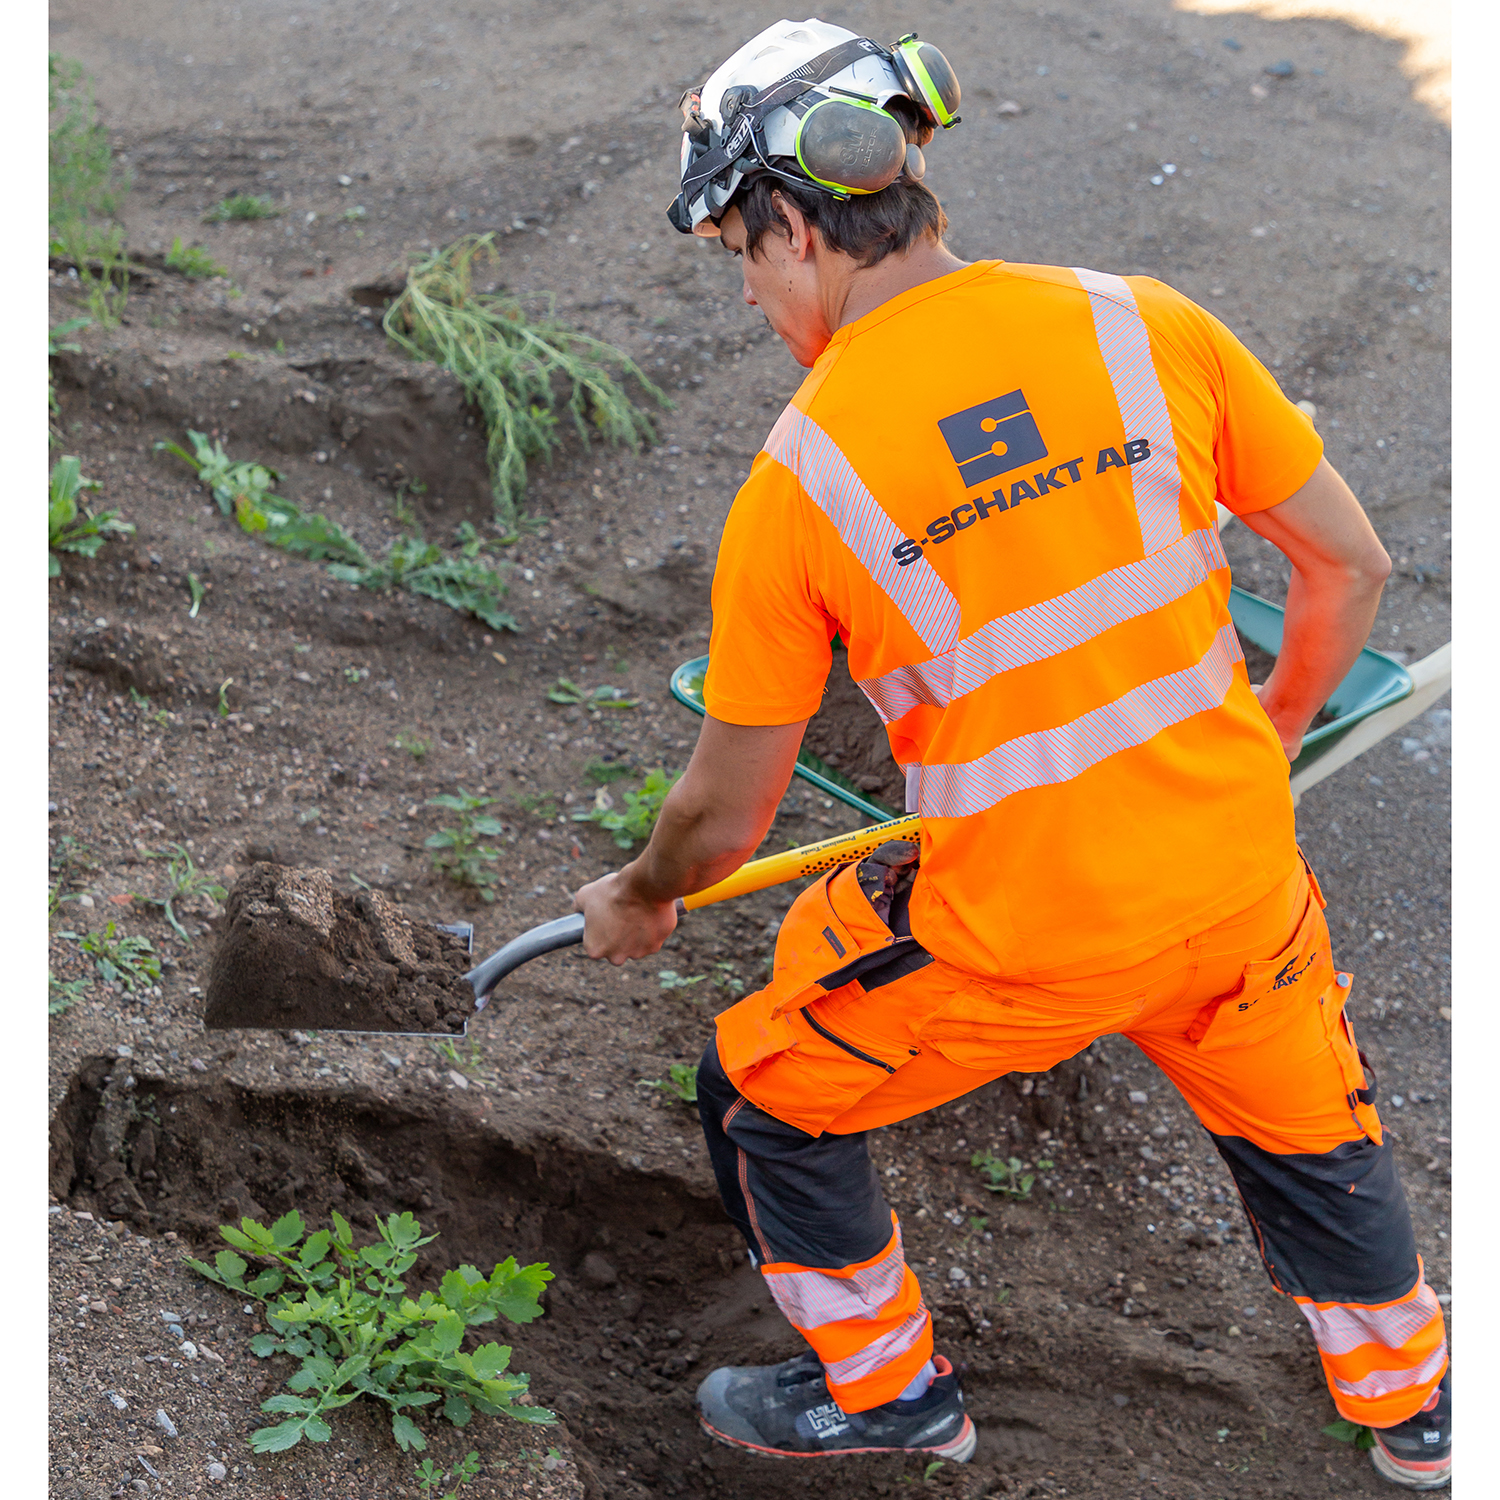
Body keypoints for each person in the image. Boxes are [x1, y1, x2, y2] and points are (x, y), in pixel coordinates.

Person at [572, 17, 1450, 1490]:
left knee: (762, 1091)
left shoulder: (804, 478)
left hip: (1020, 936)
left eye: (739, 255)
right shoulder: (1140, 322)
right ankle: (1416, 1410)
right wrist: (1270, 734)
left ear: (794, 225)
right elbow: (1347, 568)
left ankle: (889, 1394)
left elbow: (725, 816)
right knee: (1314, 1136)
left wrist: (644, 892)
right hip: (1239, 882)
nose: (751, 292)